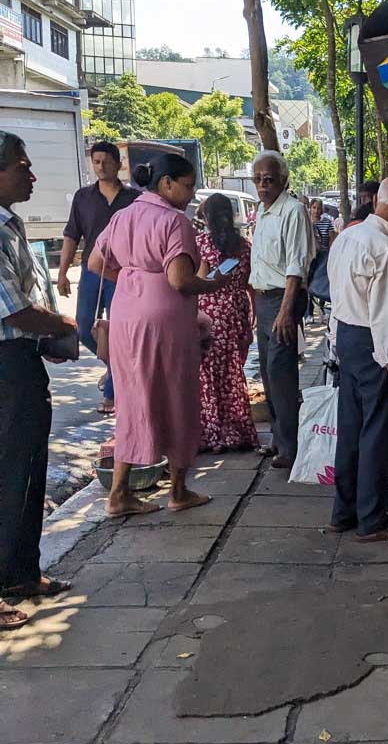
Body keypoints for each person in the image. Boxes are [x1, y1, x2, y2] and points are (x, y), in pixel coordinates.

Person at [89, 154, 230, 518]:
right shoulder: (174, 221)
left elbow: (94, 263)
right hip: (165, 320)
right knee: (177, 398)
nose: (191, 191)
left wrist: (135, 280)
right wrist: (213, 283)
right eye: (187, 184)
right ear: (166, 183)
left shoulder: (122, 216)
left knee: (133, 400)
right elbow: (180, 280)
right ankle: (179, 490)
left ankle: (119, 493)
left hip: (125, 315)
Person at [0, 133, 79, 630]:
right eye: (22, 168)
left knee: (27, 470)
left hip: (21, 363)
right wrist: (65, 326)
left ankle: (22, 572)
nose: (32, 177)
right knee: (8, 473)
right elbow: (17, 308)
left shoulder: (13, 226)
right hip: (6, 363)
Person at [327, 176, 388, 541]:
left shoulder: (347, 236)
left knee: (351, 428)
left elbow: (336, 296)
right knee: (379, 431)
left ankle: (343, 512)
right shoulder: (382, 247)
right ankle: (371, 518)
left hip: (347, 338)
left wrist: (335, 342)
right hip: (372, 343)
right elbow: (385, 317)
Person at [57, 141, 140, 414]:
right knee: (83, 326)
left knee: (118, 332)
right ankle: (114, 365)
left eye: (106, 161)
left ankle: (112, 394)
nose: (101, 166)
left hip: (122, 274)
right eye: (96, 161)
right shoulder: (83, 197)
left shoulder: (133, 199)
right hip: (92, 273)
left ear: (118, 164)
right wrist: (62, 272)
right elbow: (71, 236)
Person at [249, 151, 314, 470]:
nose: (262, 185)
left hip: (282, 298)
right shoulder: (261, 212)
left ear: (283, 180)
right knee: (267, 371)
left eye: (269, 179)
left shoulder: (293, 210)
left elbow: (295, 267)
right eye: (258, 179)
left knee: (280, 371)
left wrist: (286, 311)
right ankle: (278, 437)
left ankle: (290, 445)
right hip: (263, 300)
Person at [196, 193, 259, 453]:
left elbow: (200, 280)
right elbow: (251, 283)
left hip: (208, 314)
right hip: (237, 313)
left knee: (207, 377)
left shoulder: (201, 244)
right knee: (233, 374)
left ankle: (213, 435)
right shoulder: (244, 247)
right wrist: (251, 315)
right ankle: (235, 432)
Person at [306, 200, 335, 321]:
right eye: (314, 208)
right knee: (309, 283)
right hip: (311, 256)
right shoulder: (306, 223)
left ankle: (323, 309)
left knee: (323, 281)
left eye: (318, 208)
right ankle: (309, 313)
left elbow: (332, 238)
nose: (316, 211)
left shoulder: (327, 222)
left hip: (324, 256)